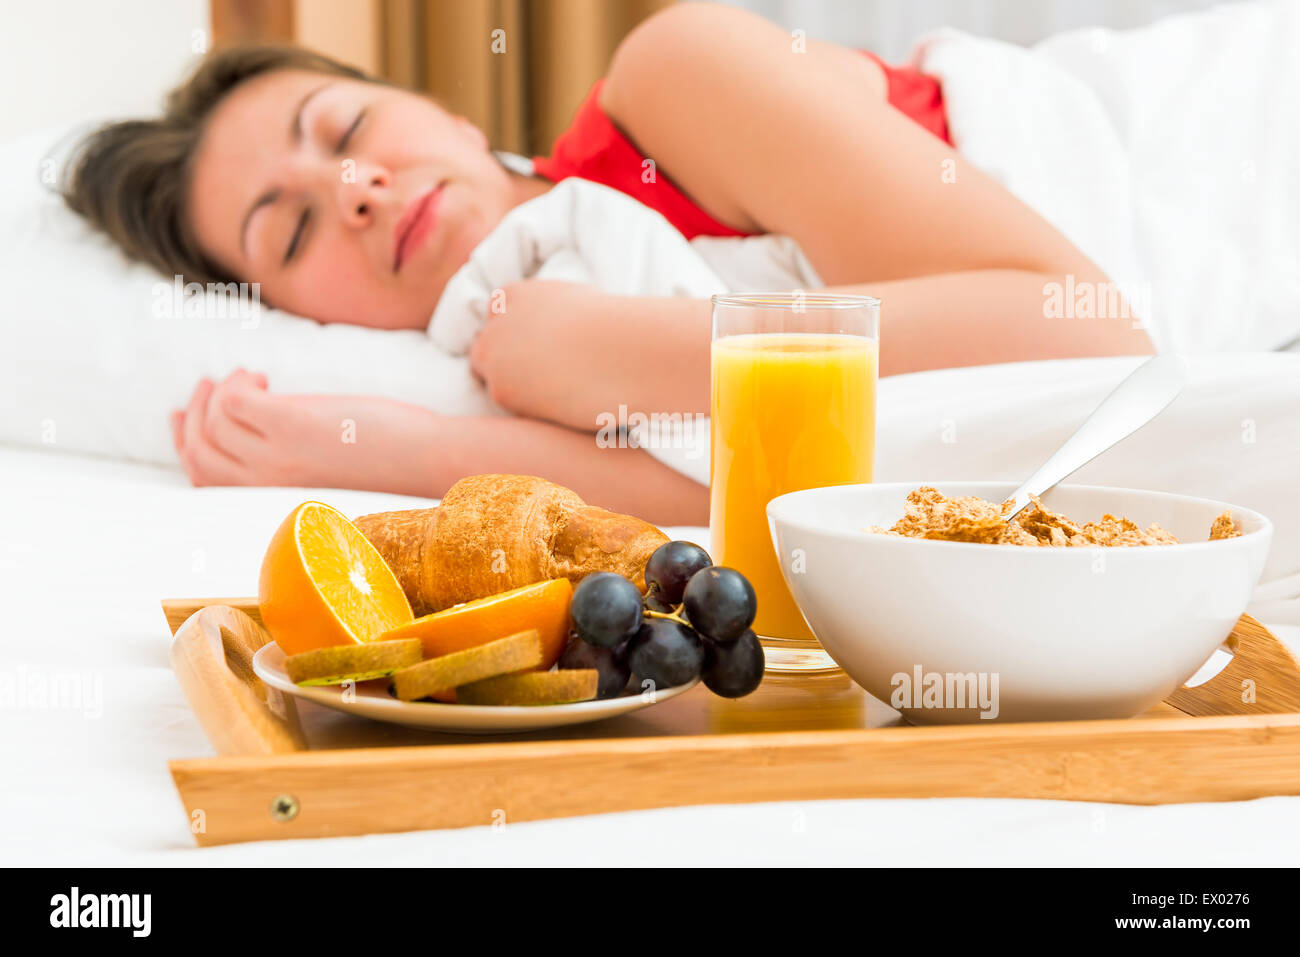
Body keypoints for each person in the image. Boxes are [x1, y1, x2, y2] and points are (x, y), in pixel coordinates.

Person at [63, 3, 1151, 524]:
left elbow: (1091, 338)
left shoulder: (672, 75)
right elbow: (749, 497)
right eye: (291, 234)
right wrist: (410, 450)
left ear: (445, 112)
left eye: (347, 128)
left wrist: (642, 350)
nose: (353, 189)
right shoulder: (501, 355)